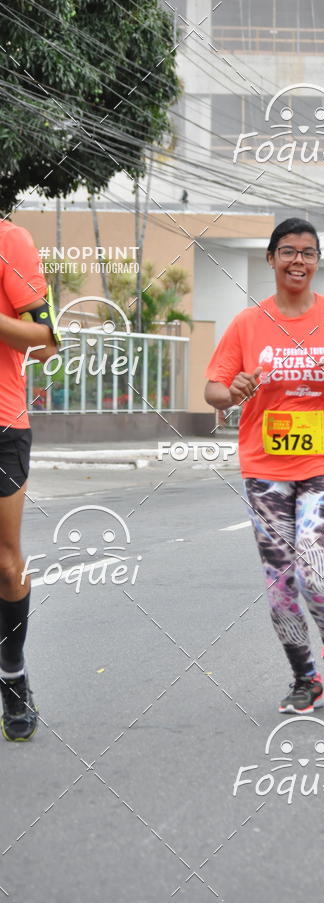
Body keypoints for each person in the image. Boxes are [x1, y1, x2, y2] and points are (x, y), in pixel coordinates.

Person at [205, 218, 324, 715]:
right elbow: (213, 388)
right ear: (271, 259)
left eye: (307, 252)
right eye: (287, 251)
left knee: (313, 572)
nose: (297, 261)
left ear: (317, 262)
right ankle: (305, 678)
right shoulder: (248, 323)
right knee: (280, 585)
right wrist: (232, 391)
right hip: (265, 467)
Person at [0, 219, 58, 741]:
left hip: (3, 425)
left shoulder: (9, 240)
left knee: (4, 561)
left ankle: (13, 677)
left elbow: (46, 338)